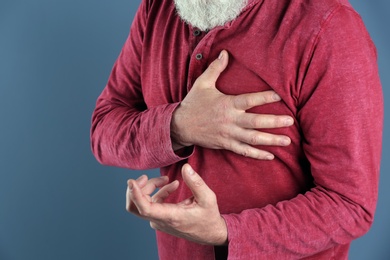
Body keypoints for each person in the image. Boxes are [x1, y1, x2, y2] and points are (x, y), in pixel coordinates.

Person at [90, 0, 384, 259]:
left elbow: (350, 205)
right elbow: (103, 130)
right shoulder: (157, 7)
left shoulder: (329, 25)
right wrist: (178, 126)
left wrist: (225, 232)